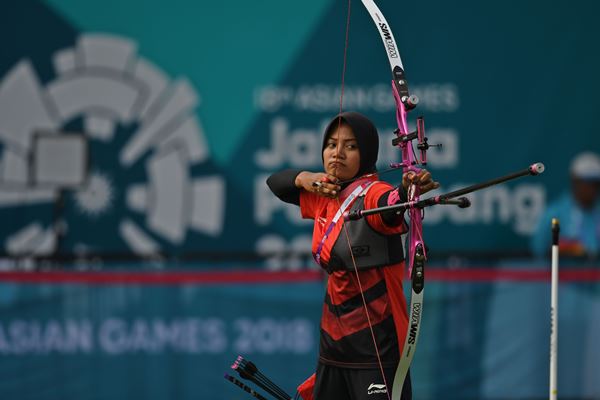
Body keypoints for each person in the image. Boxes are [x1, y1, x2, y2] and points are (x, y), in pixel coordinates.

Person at [266, 111, 439, 400]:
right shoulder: (323, 192)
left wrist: (408, 189)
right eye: (332, 144)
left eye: (351, 146)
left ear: (367, 152)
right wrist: (306, 178)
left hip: (377, 349)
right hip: (333, 348)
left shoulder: (373, 193)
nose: (338, 153)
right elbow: (276, 183)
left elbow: (391, 203)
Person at [531, 151, 600, 258]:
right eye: (587, 182)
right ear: (575, 181)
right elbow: (538, 251)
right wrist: (566, 250)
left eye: (596, 183)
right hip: (561, 273)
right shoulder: (554, 213)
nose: (592, 189)